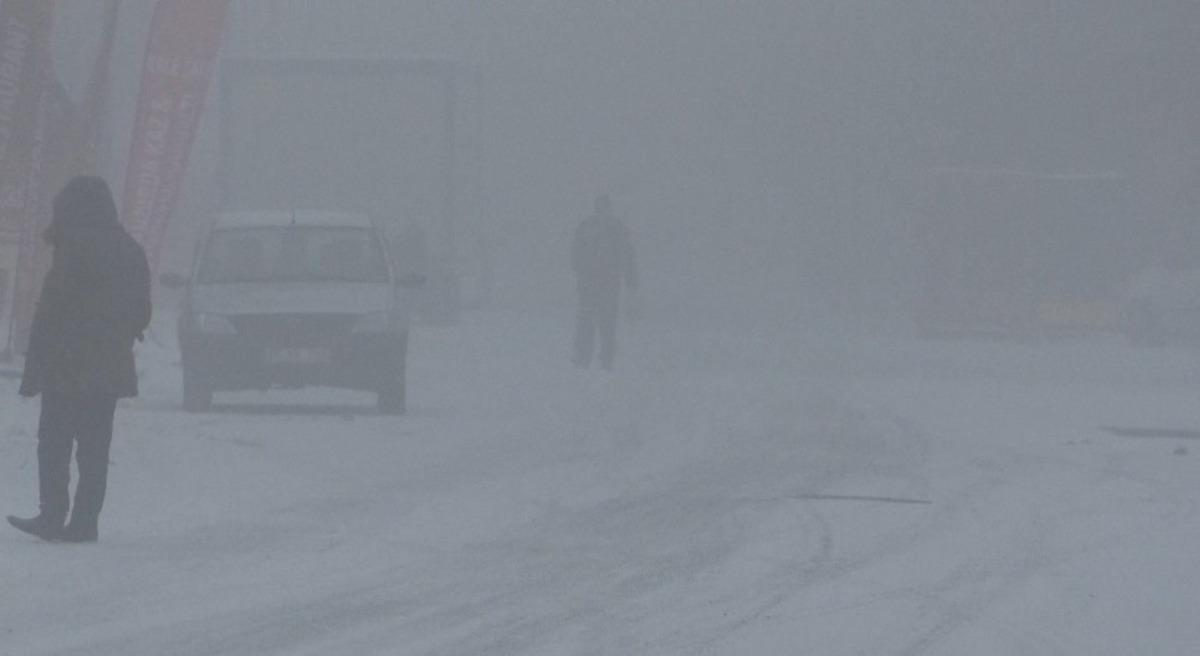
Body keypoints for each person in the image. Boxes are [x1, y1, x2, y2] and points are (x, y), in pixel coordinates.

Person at [7, 176, 150, 543]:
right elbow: (142, 311)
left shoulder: (71, 247)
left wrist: (36, 364)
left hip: (65, 363)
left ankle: (52, 515)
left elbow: (52, 312)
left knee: (54, 442)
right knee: (94, 446)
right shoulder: (129, 249)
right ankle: (86, 522)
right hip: (108, 364)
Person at [571, 193, 637, 369]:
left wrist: (582, 272)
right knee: (605, 321)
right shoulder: (617, 228)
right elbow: (628, 256)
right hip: (607, 283)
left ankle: (585, 356)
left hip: (591, 283)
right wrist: (631, 281)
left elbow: (574, 256)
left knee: (589, 319)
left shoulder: (586, 227)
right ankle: (603, 358)